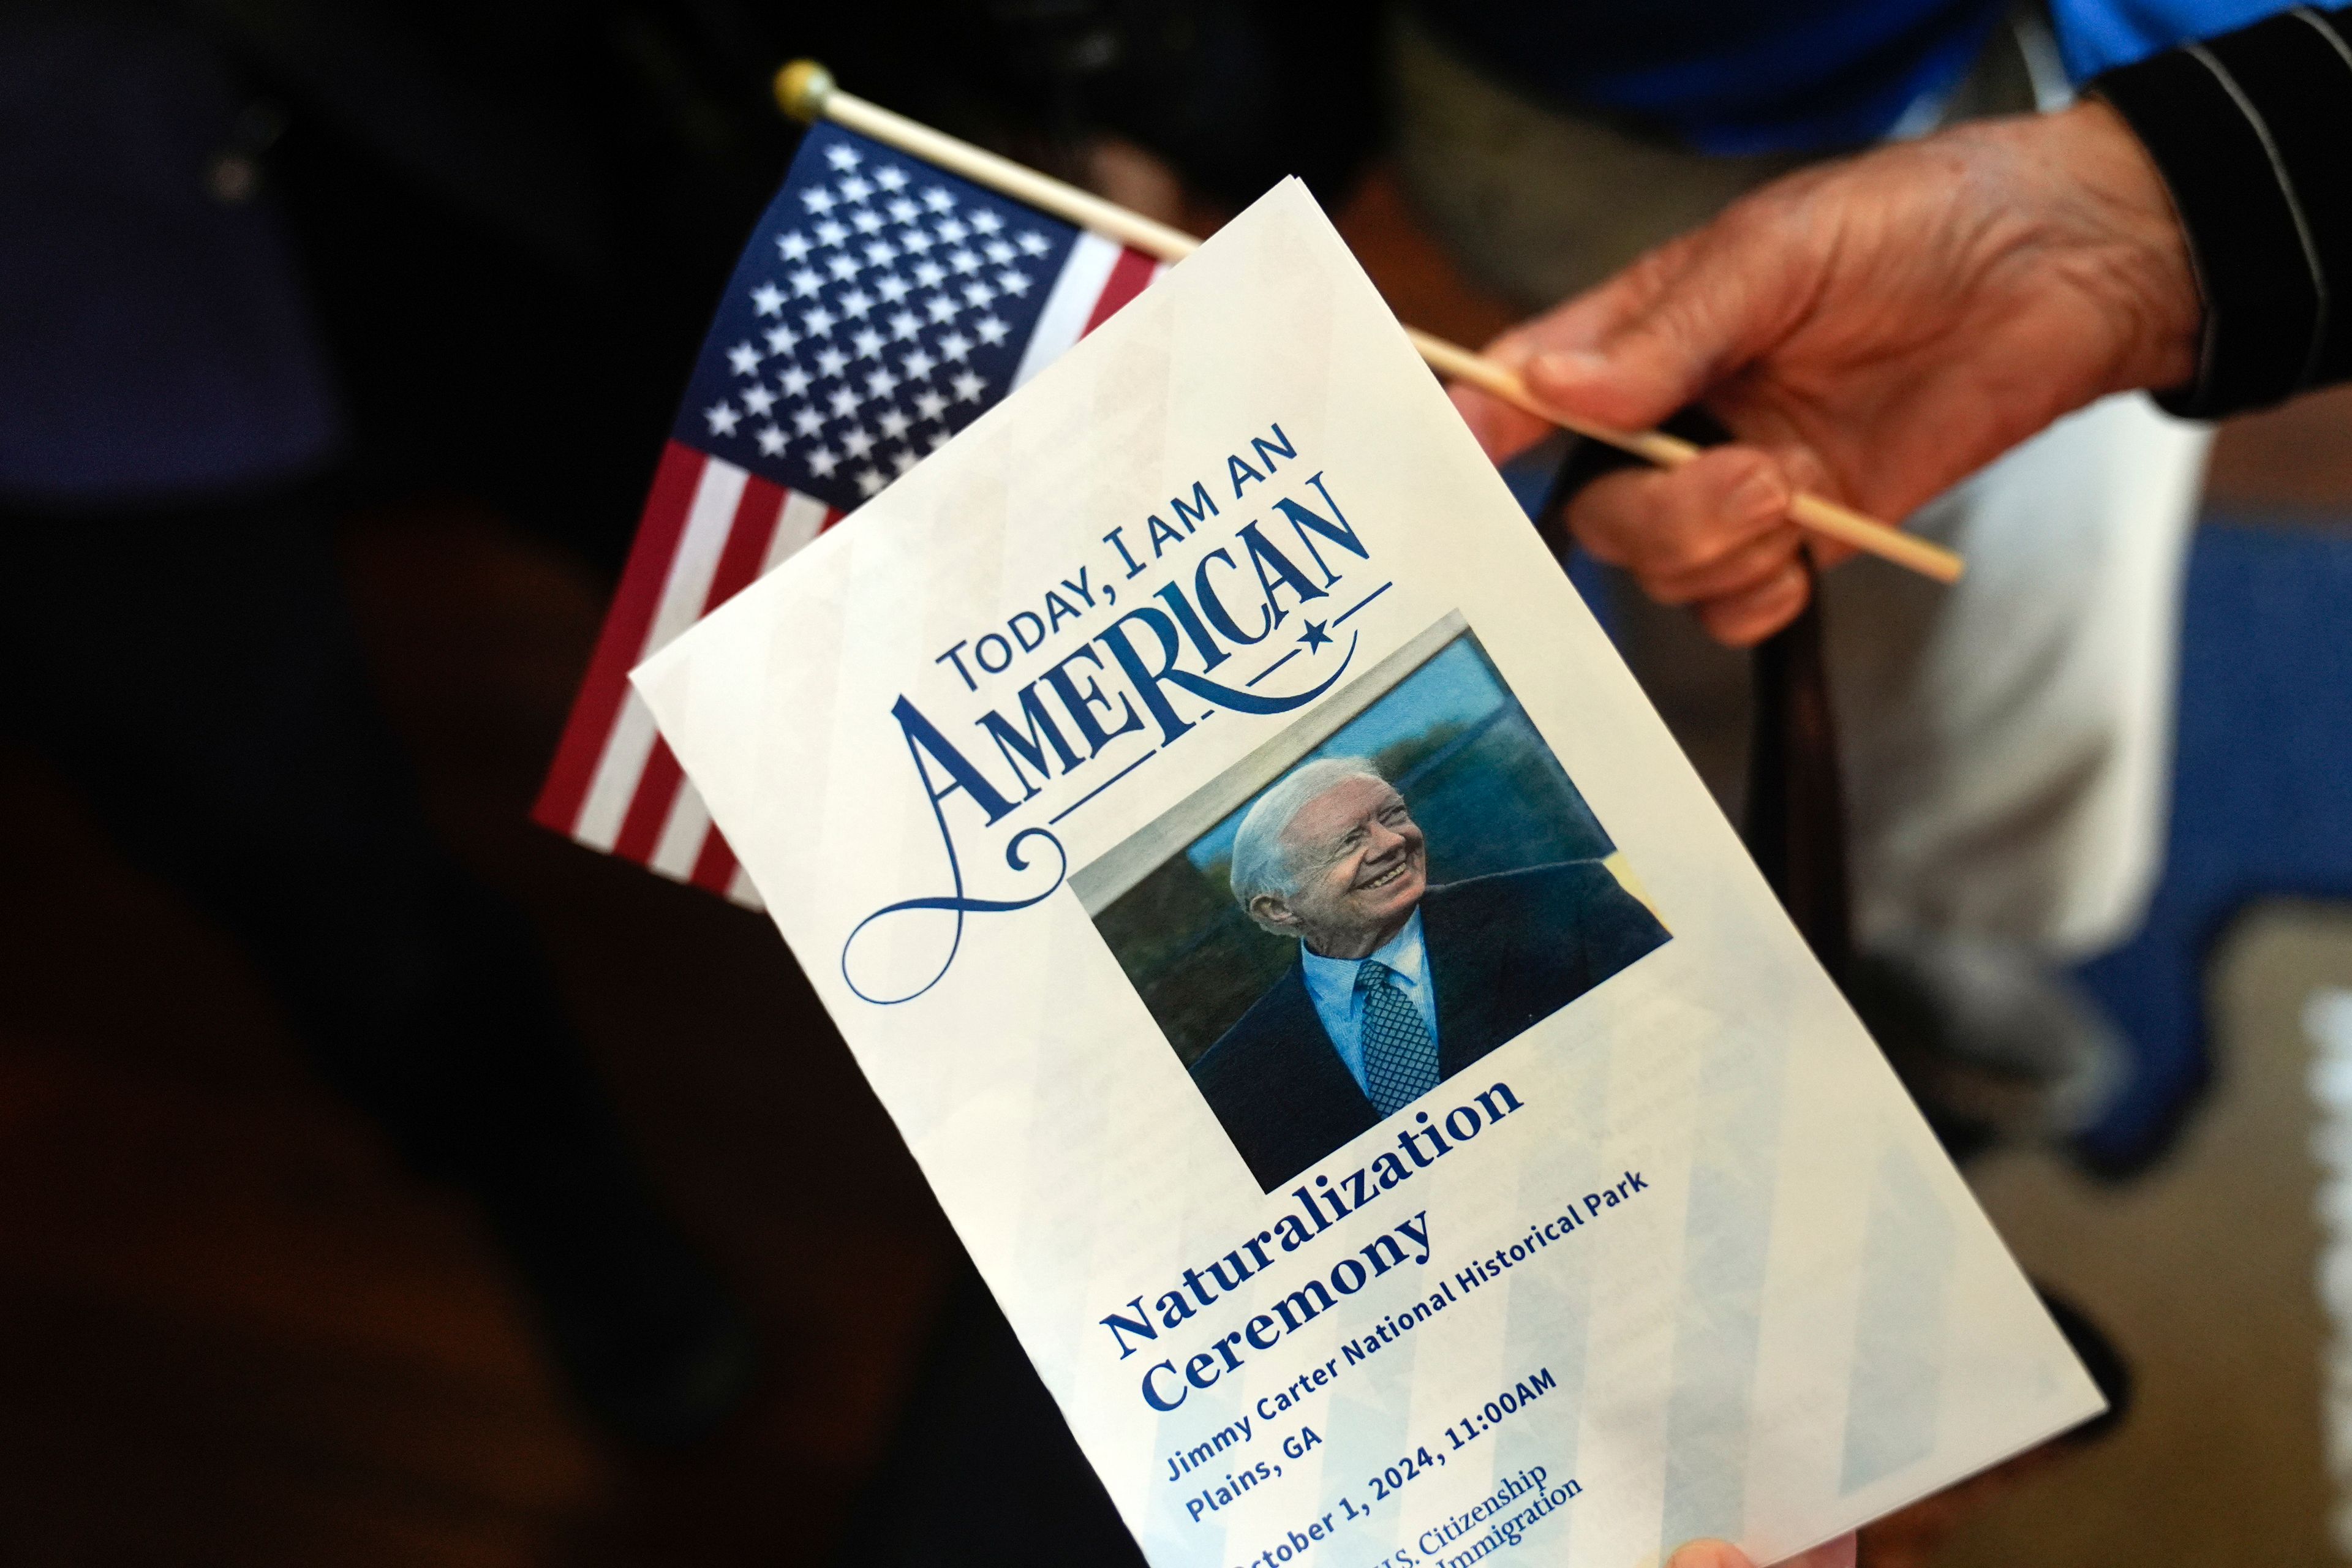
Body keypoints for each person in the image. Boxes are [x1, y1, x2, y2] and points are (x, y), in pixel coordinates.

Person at [1398, 0, 2245, 1172]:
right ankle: (1764, 922)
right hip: (1648, 90)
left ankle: (1910, 928)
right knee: (1730, 545)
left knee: (2012, 562)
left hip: (2132, 55)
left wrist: (2198, 178)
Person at [1190, 758, 1668, 1189]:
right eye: (1349, 842)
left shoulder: (1569, 905)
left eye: (1393, 814)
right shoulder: (1225, 1087)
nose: (1393, 842)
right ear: (1278, 909)